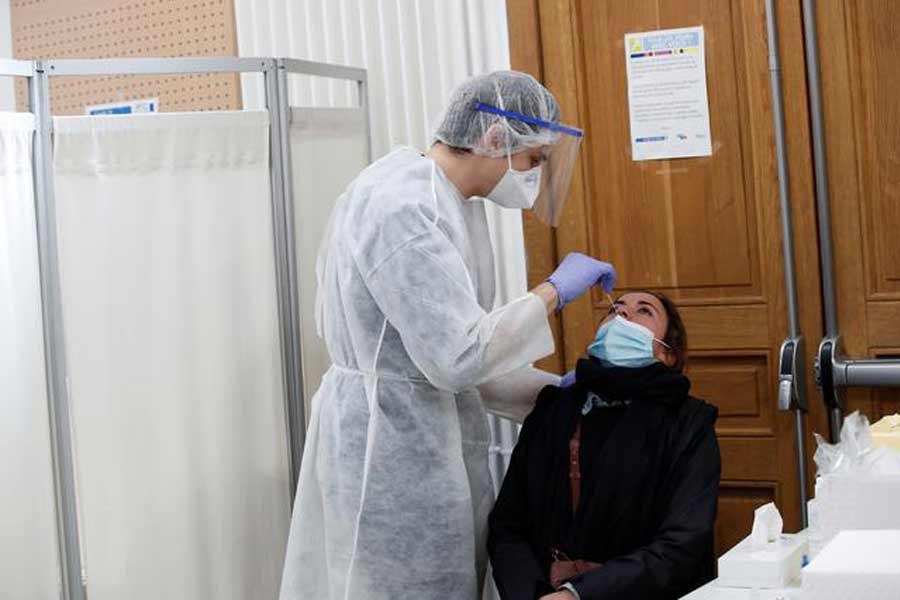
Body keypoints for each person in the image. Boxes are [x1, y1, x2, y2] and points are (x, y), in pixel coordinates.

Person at [279, 70, 618, 600]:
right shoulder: (403, 206)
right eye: (535, 158)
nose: (534, 173)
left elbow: (451, 360)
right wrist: (552, 293)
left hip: (422, 435)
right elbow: (457, 359)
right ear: (495, 139)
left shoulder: (453, 205)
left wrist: (552, 396)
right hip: (389, 454)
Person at [488, 291, 721, 600]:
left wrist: (577, 595)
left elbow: (683, 542)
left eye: (644, 311)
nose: (623, 315)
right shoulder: (553, 409)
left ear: (668, 354)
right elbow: (508, 525)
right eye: (615, 309)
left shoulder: (689, 423)